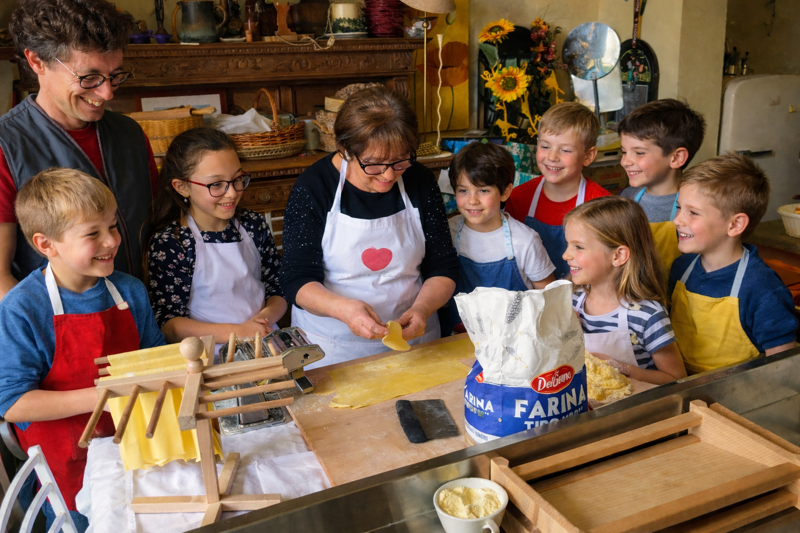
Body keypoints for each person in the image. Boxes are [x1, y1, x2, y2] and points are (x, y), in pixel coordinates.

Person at [0, 169, 164, 531]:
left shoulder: (129, 291)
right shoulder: (24, 308)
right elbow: (13, 404)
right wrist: (103, 395)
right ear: (46, 245)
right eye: (93, 233)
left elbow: (156, 358)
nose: (111, 241)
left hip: (136, 447)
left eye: (113, 226)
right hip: (68, 468)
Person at [279, 86, 459, 366]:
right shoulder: (314, 187)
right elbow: (295, 280)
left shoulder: (419, 181)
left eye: (400, 161)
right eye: (374, 164)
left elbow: (443, 266)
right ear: (345, 149)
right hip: (333, 349)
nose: (388, 175)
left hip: (416, 343)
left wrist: (423, 309)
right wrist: (344, 310)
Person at [0, 0, 160, 300]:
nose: (107, 92)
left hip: (139, 318)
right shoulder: (6, 146)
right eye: (89, 78)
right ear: (37, 62)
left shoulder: (130, 135)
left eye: (114, 76)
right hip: (58, 333)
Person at [146, 127, 286, 350]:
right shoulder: (172, 242)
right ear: (182, 187)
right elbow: (170, 324)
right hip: (208, 356)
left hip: (265, 342)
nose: (232, 192)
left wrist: (264, 319)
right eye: (216, 184)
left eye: (237, 179)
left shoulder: (253, 225)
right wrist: (239, 332)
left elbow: (277, 289)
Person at [669, 153, 797, 374]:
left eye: (693, 212)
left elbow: (782, 368)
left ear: (735, 224)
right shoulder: (681, 268)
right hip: (682, 385)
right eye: (679, 207)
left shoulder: (762, 288)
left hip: (739, 396)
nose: (677, 220)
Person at [563, 196, 686, 384]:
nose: (566, 255)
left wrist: (621, 368)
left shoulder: (647, 316)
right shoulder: (571, 300)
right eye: (568, 244)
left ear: (619, 255)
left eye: (579, 247)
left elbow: (676, 379)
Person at [439, 142, 556, 335]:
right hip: (455, 342)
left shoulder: (525, 241)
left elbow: (550, 297)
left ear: (505, 192)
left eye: (483, 191)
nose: (472, 200)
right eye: (463, 190)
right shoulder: (448, 232)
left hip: (514, 344)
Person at [505, 102, 611, 279]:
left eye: (565, 150)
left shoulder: (601, 204)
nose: (552, 157)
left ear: (588, 156)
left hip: (581, 298)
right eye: (545, 147)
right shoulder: (519, 197)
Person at [618, 99, 706, 281]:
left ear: (676, 157)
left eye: (639, 153)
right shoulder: (627, 198)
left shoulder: (697, 207)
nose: (625, 161)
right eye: (624, 151)